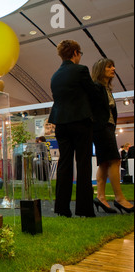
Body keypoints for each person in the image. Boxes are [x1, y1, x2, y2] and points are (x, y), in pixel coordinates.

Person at [48, 40, 97, 218]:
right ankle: (84, 209)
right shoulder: (81, 70)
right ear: (76, 53)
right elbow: (92, 92)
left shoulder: (55, 76)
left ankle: (61, 208)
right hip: (80, 121)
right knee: (83, 164)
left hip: (60, 123)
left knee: (64, 164)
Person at [91, 58, 134, 214]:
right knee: (115, 160)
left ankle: (101, 197)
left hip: (106, 128)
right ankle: (119, 198)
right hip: (102, 128)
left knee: (104, 163)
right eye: (109, 66)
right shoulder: (96, 87)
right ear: (101, 69)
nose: (113, 68)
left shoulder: (105, 88)